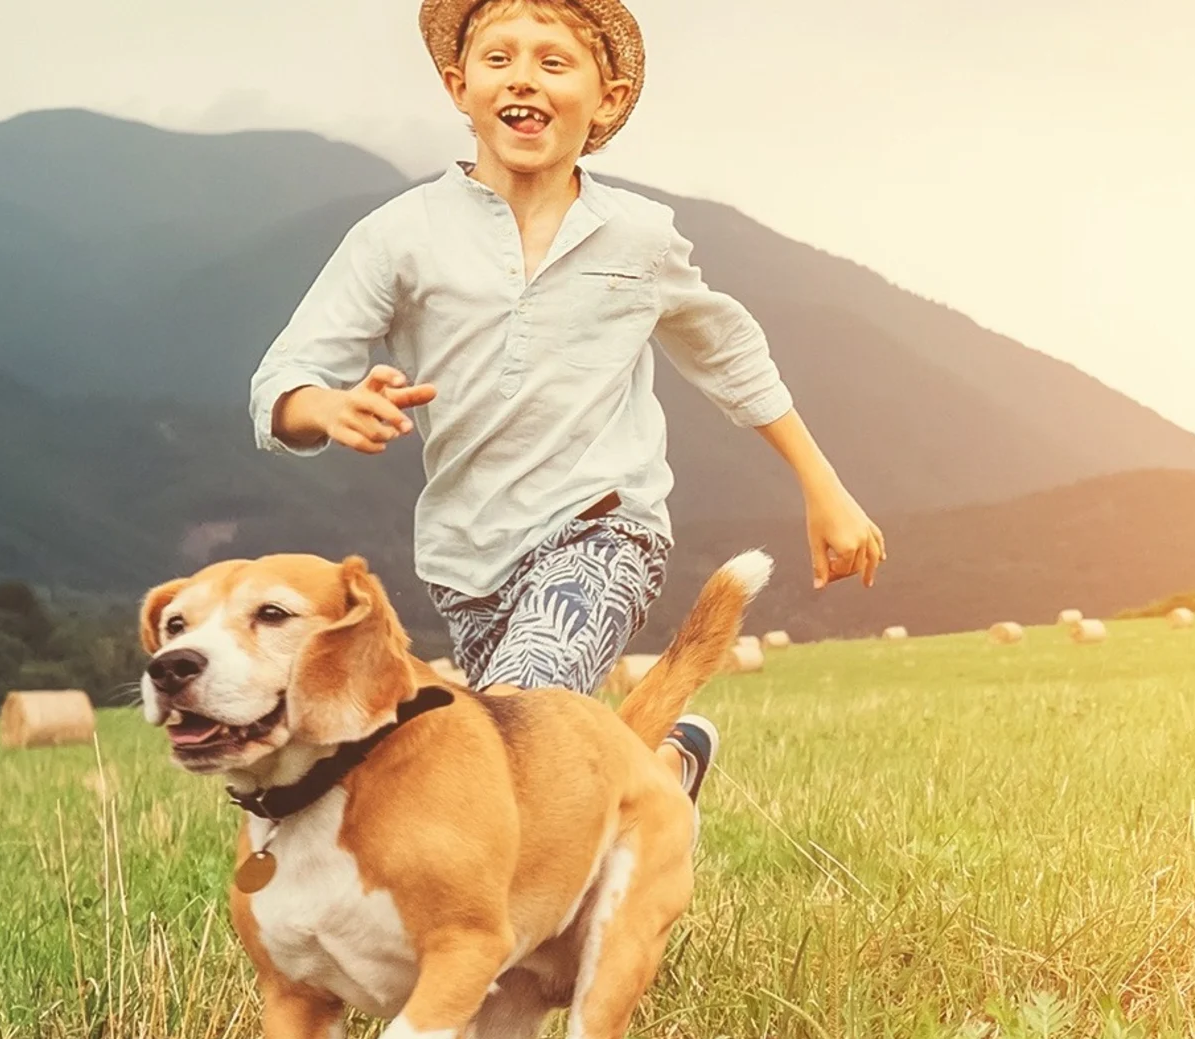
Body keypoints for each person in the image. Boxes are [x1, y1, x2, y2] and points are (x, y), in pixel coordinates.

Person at [248, 0, 883, 795]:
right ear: (458, 85)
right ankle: (662, 766)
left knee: (503, 739)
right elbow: (284, 377)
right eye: (499, 59)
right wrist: (325, 407)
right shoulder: (397, 236)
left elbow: (727, 353)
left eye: (553, 62)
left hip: (603, 529)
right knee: (525, 769)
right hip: (465, 559)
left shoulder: (639, 236)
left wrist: (823, 487)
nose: (524, 79)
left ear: (606, 99)